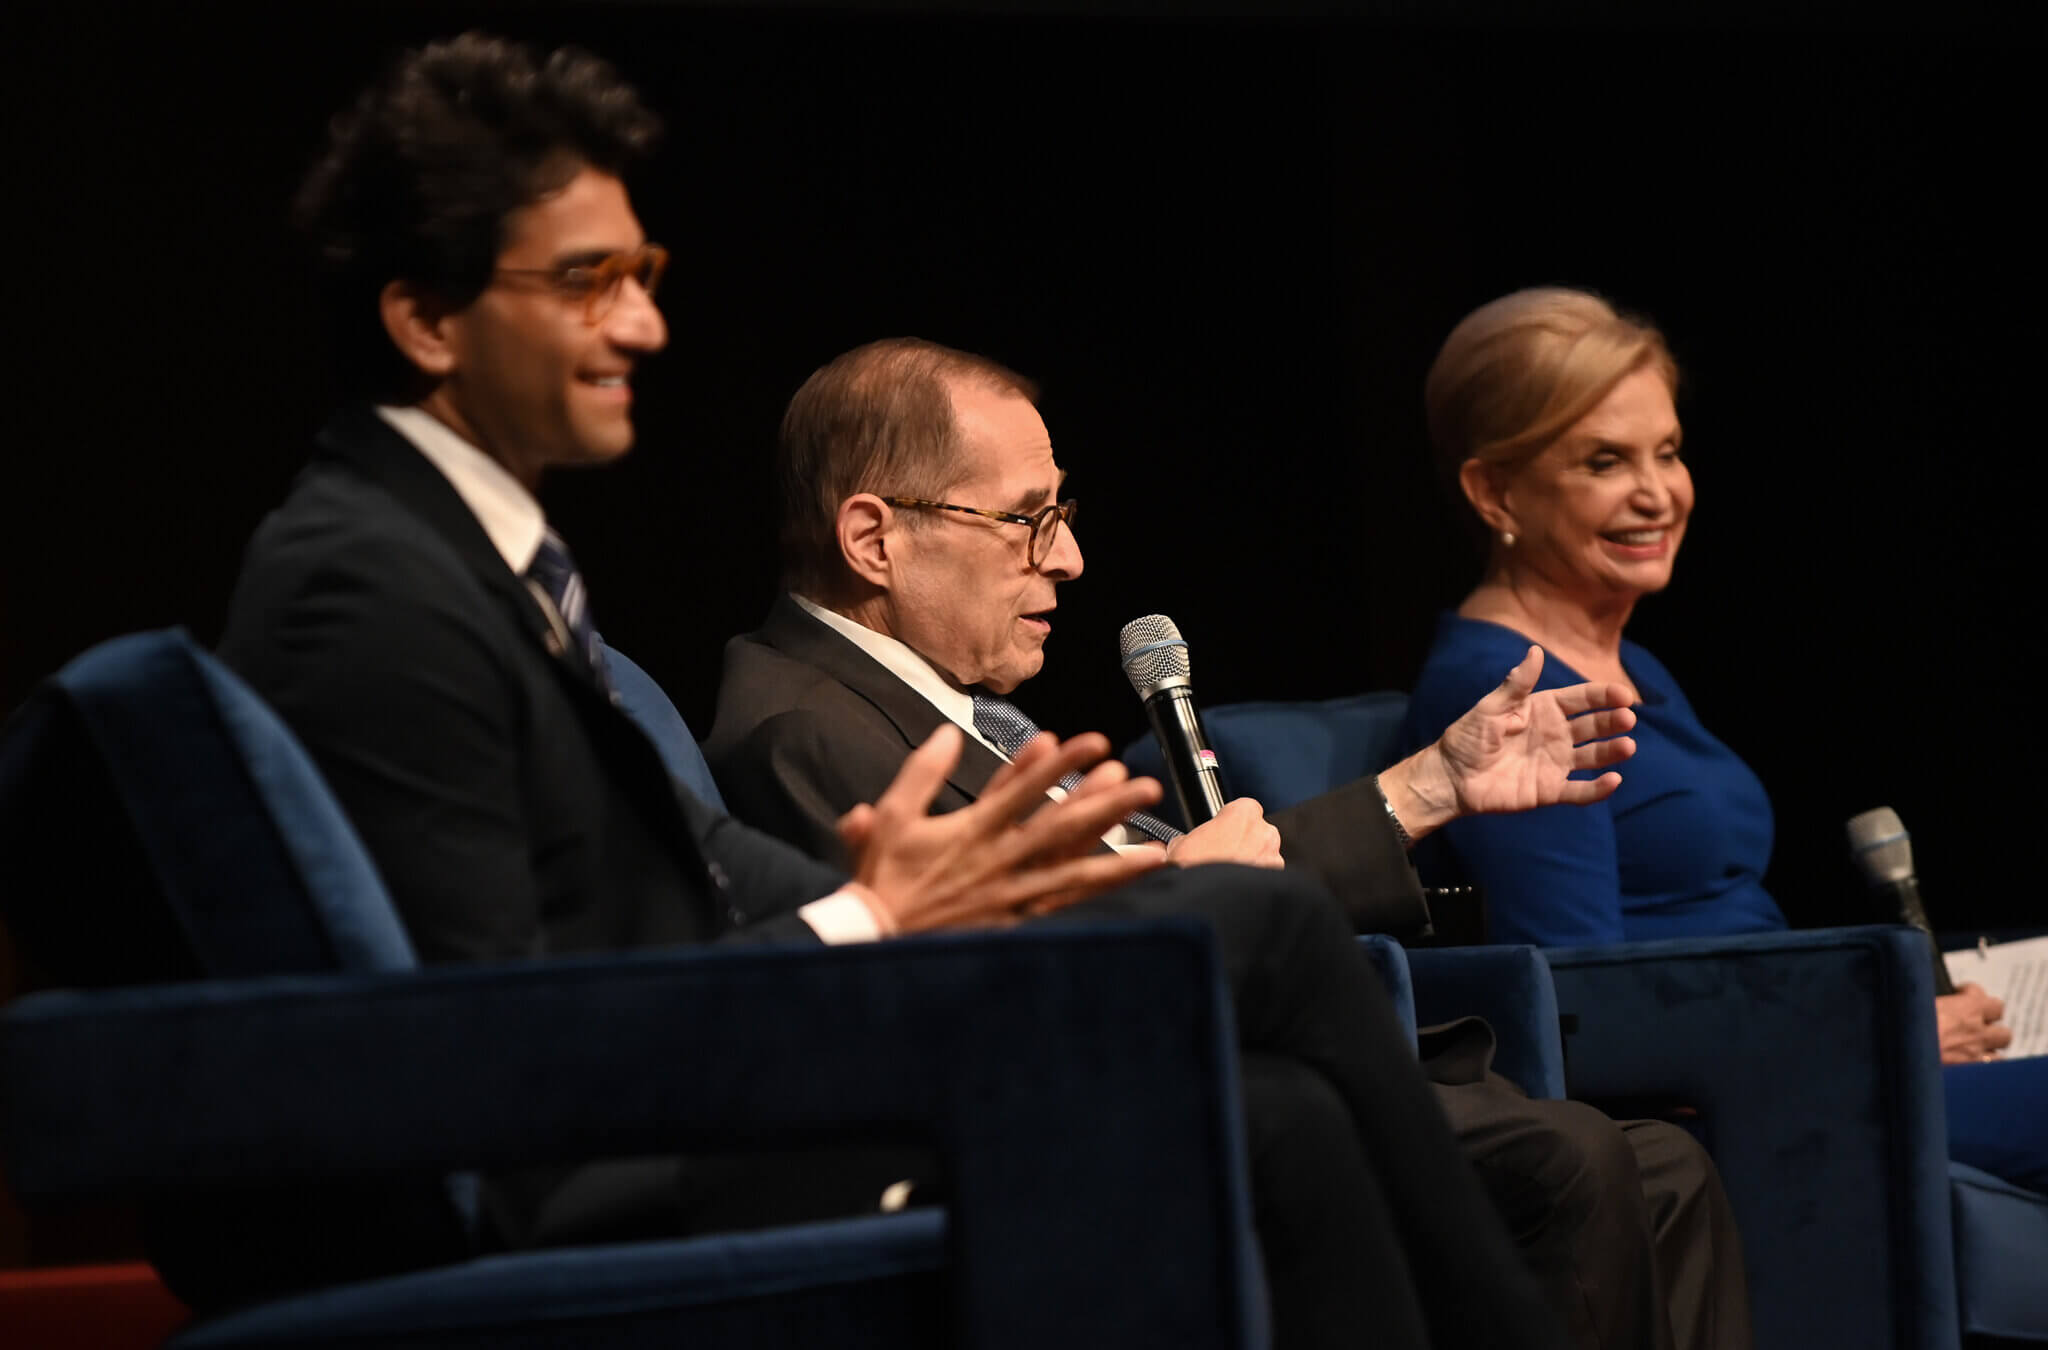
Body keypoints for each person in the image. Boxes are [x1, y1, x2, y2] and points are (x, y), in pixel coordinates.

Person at [210, 33, 1576, 1349]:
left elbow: (690, 864)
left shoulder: (470, 559)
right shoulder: (366, 588)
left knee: (1280, 1111)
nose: (643, 320)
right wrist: (872, 914)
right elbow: (492, 1033)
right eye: (584, 280)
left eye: (640, 268)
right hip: (625, 1177)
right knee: (1265, 930)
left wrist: (925, 879)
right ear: (427, 316)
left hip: (708, 1090)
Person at [704, 336, 1754, 1350]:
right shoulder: (806, 727)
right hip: (1135, 1117)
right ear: (872, 539)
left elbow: (1221, 888)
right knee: (1566, 1162)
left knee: (1664, 1168)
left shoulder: (933, 704)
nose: (1066, 558)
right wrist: (1169, 890)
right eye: (1026, 519)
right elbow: (966, 985)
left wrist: (1428, 784)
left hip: (1247, 1051)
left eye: (1058, 513)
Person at [1400, 285, 2048, 1195]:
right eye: (1603, 461)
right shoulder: (1506, 693)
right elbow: (1585, 1014)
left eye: (1667, 452)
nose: (1657, 493)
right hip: (1760, 1108)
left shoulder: (1630, 661)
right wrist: (1876, 1030)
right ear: (1494, 490)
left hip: (1812, 1062)